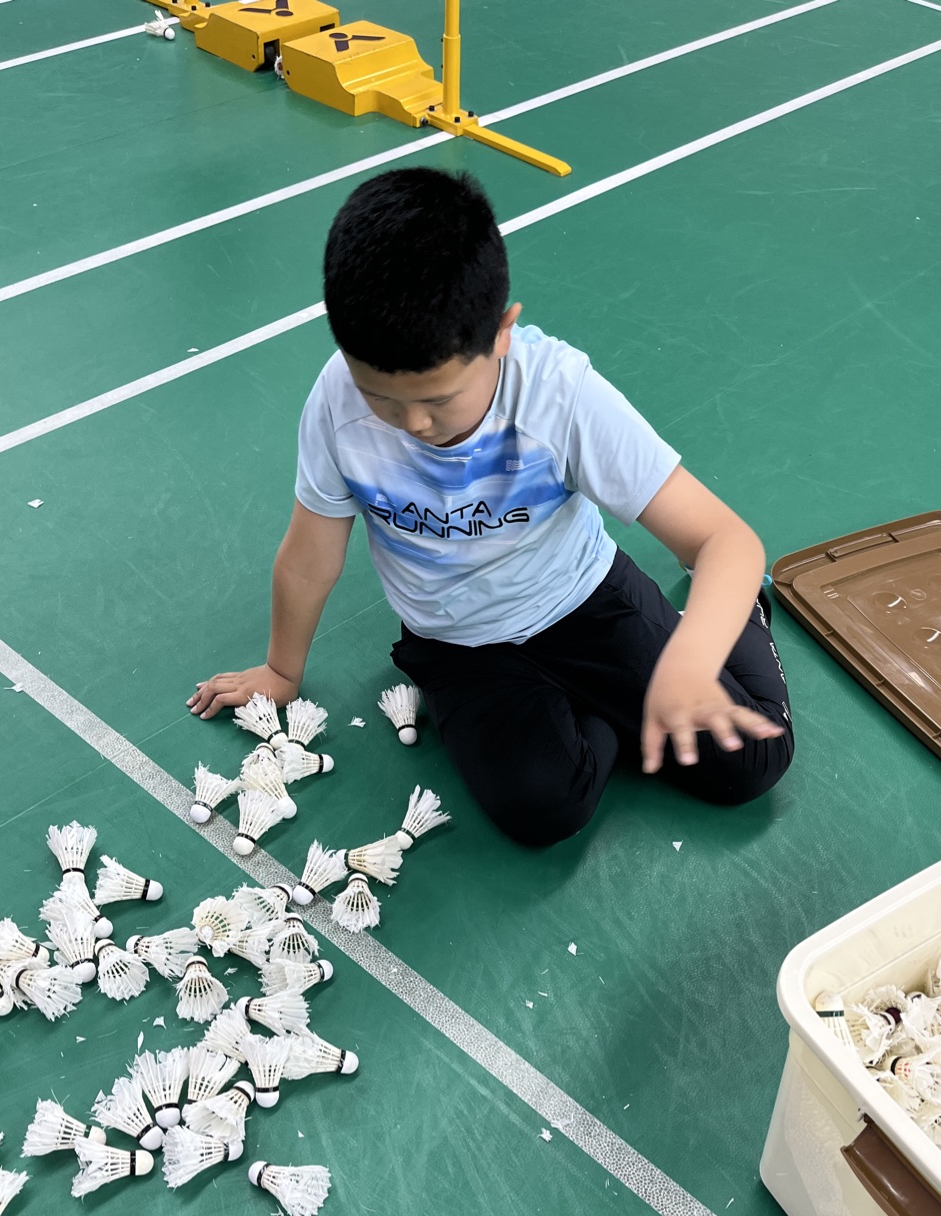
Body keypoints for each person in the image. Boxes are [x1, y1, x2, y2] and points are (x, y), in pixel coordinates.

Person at [188, 167, 793, 846]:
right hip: (456, 640)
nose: (412, 424)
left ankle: (734, 618)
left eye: (437, 399)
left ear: (502, 332)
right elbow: (309, 558)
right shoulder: (336, 402)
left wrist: (692, 656)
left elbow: (723, 541)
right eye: (381, 398)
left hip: (581, 600)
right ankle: (601, 705)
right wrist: (281, 670)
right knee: (542, 811)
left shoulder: (559, 396)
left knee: (750, 766)